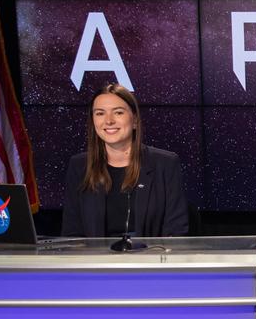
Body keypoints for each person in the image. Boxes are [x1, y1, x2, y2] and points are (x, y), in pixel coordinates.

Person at [62, 84, 188, 238]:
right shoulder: (79, 166)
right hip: (96, 254)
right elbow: (72, 233)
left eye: (118, 112)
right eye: (100, 113)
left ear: (134, 120)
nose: (109, 121)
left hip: (151, 253)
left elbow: (176, 231)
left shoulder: (165, 164)